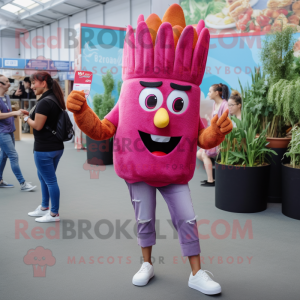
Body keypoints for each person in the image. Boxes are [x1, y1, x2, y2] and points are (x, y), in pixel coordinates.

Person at [67, 5, 233, 296]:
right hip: (139, 173)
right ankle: (146, 264)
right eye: (152, 100)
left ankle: (196, 272)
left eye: (174, 104)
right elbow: (103, 129)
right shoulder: (128, 97)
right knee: (144, 219)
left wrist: (215, 131)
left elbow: (202, 138)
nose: (162, 117)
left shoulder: (190, 99)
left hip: (174, 174)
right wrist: (82, 114)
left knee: (188, 218)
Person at [24, 72, 65, 223]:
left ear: (43, 83)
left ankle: (54, 213)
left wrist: (26, 118)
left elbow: (38, 125)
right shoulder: (54, 99)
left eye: (34, 83)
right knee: (44, 177)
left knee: (50, 180)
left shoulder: (45, 102)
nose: (32, 86)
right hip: (55, 147)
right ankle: (44, 207)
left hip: (45, 149)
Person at [0, 74, 36, 191]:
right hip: (2, 132)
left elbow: (9, 111)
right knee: (13, 156)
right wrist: (13, 114)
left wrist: (18, 112)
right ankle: (23, 183)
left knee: (4, 156)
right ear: (0, 84)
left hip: (10, 130)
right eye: (6, 82)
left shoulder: (7, 97)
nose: (9, 83)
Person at [197, 83, 229, 187]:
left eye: (210, 91)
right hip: (214, 136)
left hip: (220, 139)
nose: (208, 93)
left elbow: (225, 124)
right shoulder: (215, 104)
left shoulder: (225, 105)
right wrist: (208, 119)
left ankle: (211, 180)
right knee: (199, 154)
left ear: (216, 93)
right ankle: (212, 175)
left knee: (204, 154)